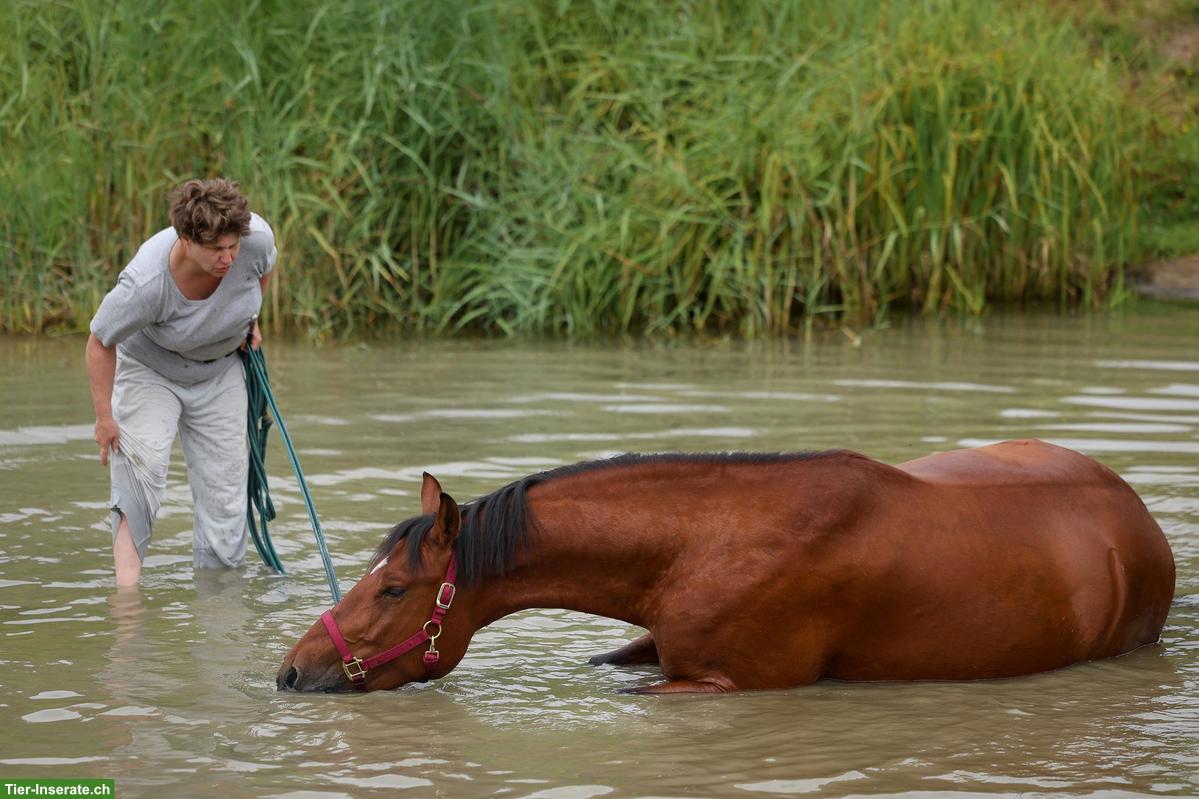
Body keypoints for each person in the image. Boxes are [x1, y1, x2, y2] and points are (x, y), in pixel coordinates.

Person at [85, 178, 276, 586]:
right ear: (186, 239)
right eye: (215, 250)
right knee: (142, 475)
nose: (227, 259)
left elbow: (263, 271)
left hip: (220, 368)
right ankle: (127, 604)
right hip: (150, 370)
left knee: (226, 500)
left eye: (232, 247)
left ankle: (221, 602)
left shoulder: (255, 239)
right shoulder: (145, 284)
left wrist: (251, 322)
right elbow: (100, 341)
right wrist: (104, 420)